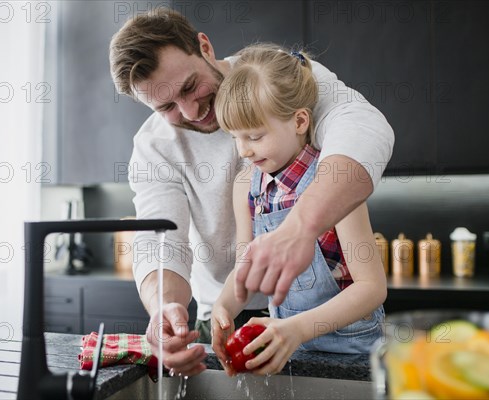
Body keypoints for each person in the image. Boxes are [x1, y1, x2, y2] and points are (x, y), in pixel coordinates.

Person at [109, 9, 393, 377]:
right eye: (166, 107)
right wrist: (164, 307)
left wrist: (300, 229)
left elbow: (362, 125)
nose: (191, 111)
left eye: (189, 86)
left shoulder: (277, 75)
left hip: (339, 335)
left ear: (205, 47)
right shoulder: (155, 148)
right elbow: (161, 240)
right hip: (229, 317)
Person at [210, 44, 387, 376]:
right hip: (287, 352)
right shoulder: (245, 186)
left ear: (299, 121)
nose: (244, 150)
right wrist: (224, 304)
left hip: (354, 354)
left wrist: (298, 328)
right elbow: (245, 268)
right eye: (235, 138)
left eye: (255, 136)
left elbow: (372, 288)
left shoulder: (333, 182)